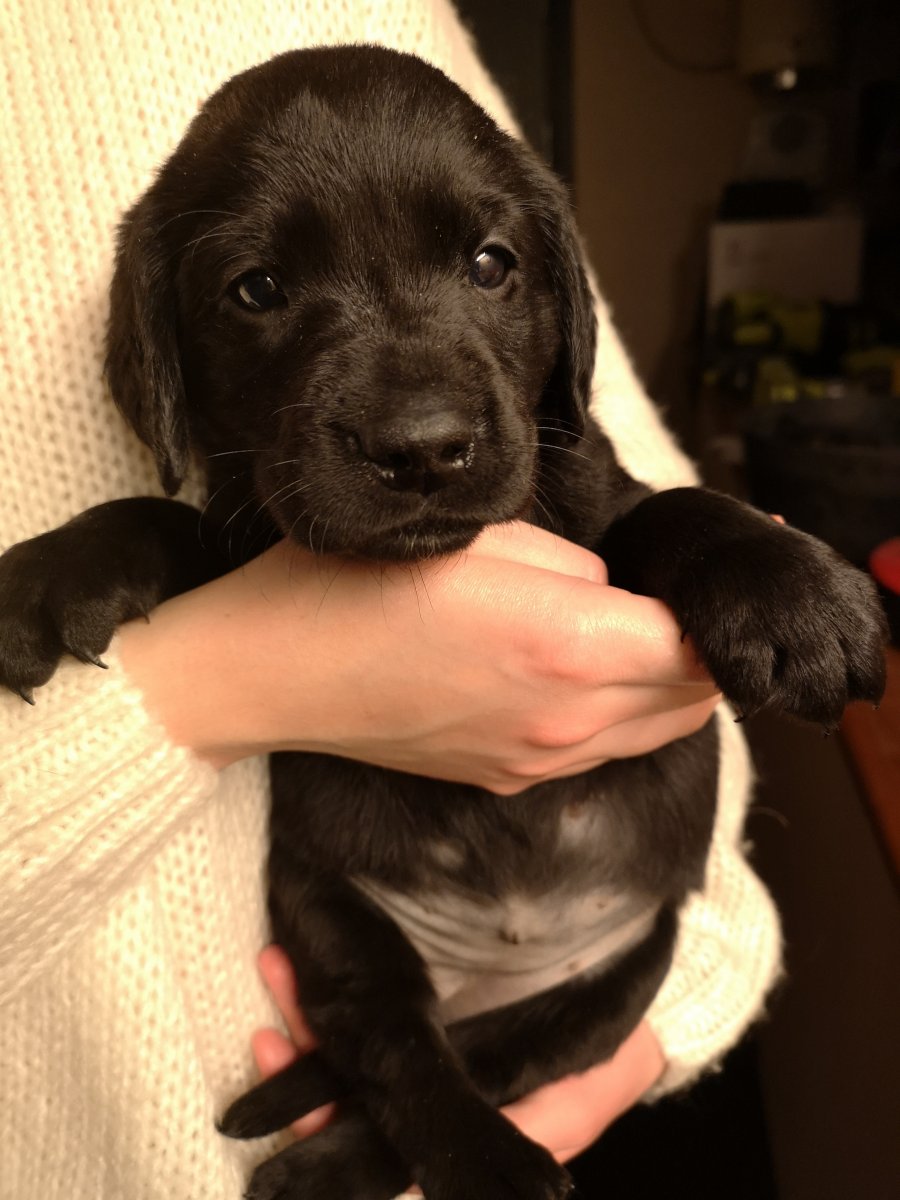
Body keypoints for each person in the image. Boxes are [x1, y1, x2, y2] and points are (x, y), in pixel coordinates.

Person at [0, 0, 781, 1196]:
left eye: (487, 266)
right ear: (159, 355)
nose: (419, 418)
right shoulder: (183, 360)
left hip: (610, 966)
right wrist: (192, 629)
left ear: (556, 297)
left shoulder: (400, 26)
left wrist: (731, 549)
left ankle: (411, 1122)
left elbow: (640, 521)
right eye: (260, 289)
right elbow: (206, 560)